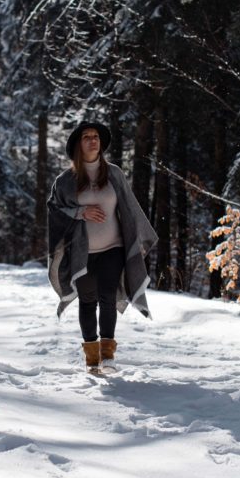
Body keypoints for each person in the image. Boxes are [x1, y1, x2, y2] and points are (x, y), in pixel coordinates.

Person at [47, 120, 158, 371]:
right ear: (78, 144)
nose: (92, 140)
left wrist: (136, 241)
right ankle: (91, 358)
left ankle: (107, 355)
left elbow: (130, 208)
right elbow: (54, 210)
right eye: (86, 136)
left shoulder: (115, 174)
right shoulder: (65, 180)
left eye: (95, 136)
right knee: (88, 300)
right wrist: (80, 212)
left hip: (113, 248)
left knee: (108, 297)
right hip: (81, 252)